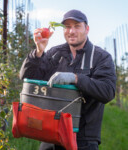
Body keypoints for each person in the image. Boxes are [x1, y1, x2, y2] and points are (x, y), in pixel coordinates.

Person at [19, 9, 116, 150]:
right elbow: (27, 77)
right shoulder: (55, 54)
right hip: (51, 134)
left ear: (87, 29)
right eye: (68, 27)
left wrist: (76, 78)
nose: (71, 31)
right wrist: (38, 51)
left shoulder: (100, 57)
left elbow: (107, 91)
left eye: (77, 26)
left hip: (83, 140)